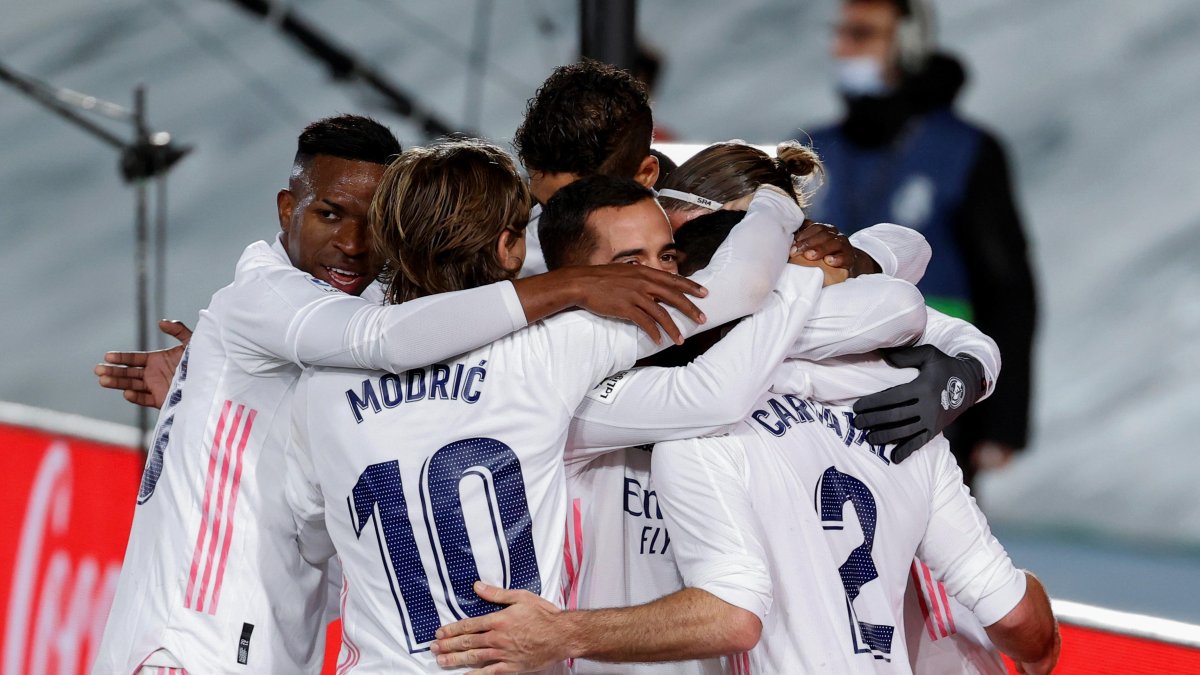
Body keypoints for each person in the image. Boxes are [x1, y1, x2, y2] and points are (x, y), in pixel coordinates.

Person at [91, 116, 708, 675]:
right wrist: (574, 285)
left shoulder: (319, 335)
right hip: (194, 645)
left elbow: (451, 285)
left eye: (374, 225)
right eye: (330, 214)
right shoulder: (268, 297)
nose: (354, 244)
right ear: (286, 209)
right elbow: (388, 339)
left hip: (258, 644)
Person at [284, 138, 811, 673]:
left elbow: (310, 537)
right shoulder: (551, 349)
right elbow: (739, 288)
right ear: (510, 246)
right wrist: (777, 203)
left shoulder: (317, 386)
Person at [800, 0, 1037, 485]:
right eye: (840, 33)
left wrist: (1003, 420)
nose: (841, 48)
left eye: (861, 34)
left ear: (908, 46)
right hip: (816, 385)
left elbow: (1008, 286)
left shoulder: (965, 150)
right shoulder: (812, 149)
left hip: (928, 384)